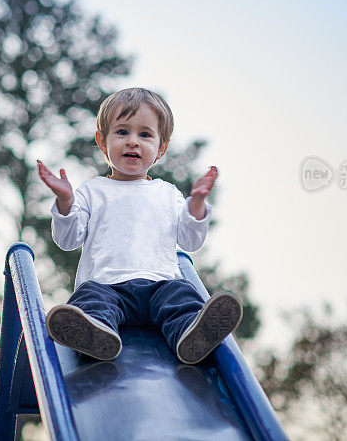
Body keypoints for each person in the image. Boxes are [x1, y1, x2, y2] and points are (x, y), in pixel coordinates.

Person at [36, 87, 242, 364]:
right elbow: (68, 239)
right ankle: (96, 334)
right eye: (122, 132)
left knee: (183, 296)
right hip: (107, 285)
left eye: (144, 134)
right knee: (89, 298)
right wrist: (65, 201)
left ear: (161, 148)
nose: (133, 141)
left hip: (160, 284)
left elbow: (190, 242)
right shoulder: (92, 191)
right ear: (102, 141)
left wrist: (196, 206)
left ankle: (191, 334)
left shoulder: (168, 193)